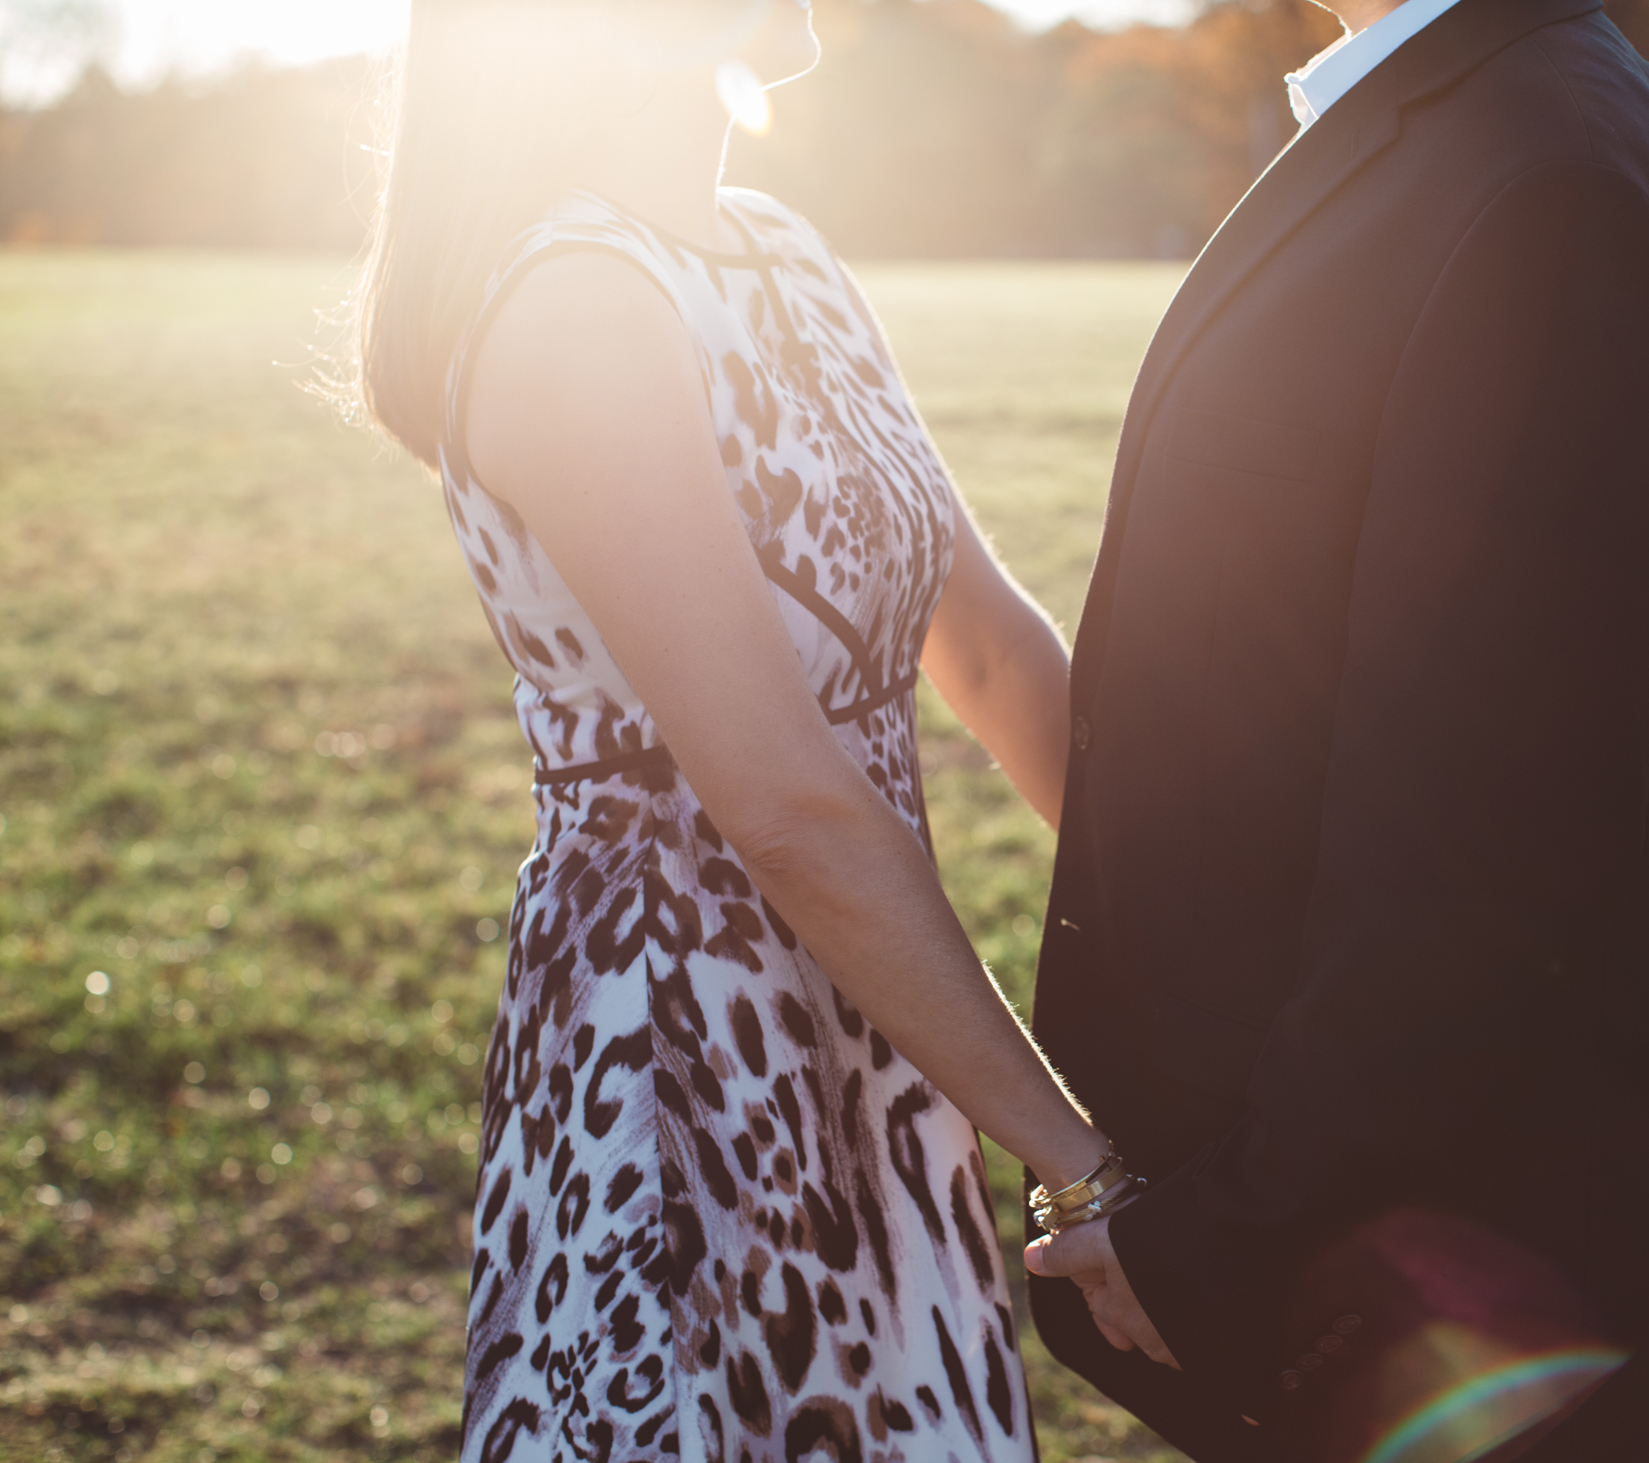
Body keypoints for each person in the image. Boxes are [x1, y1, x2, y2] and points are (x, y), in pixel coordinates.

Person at [1016, 0, 1649, 1457]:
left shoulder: (1546, 179)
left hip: (1478, 1337)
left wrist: (1226, 1236)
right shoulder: (1462, 122)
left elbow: (1491, 857)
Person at [353, 3, 1121, 1458]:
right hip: (687, 1070)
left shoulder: (777, 246)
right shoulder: (570, 303)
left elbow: (990, 648)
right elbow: (783, 801)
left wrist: (1230, 952)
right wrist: (1080, 1170)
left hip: (874, 1020)